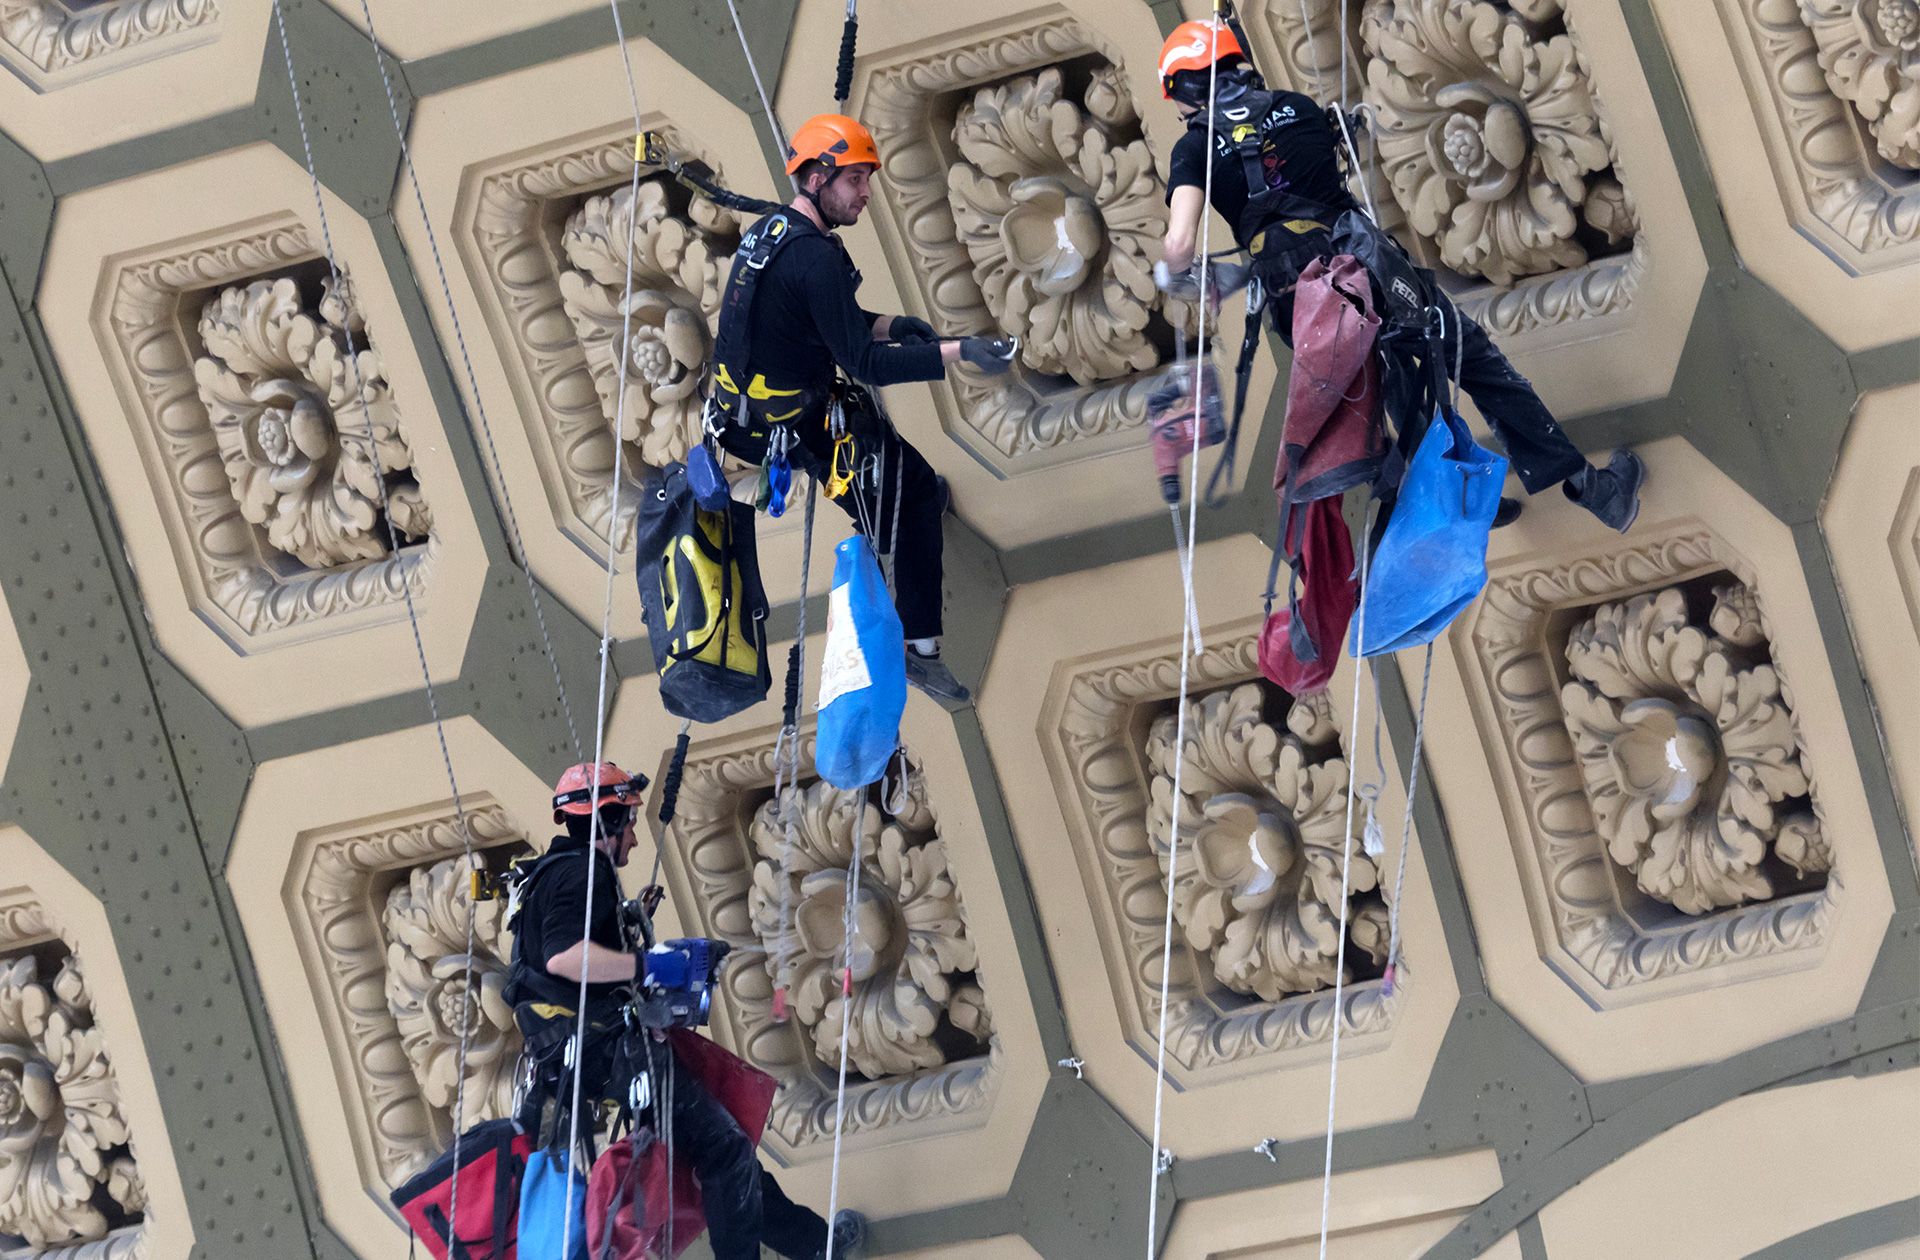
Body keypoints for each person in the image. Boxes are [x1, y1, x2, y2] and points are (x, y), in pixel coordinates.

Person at [1154, 19, 1645, 532]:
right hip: (1367, 269)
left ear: (1187, 85)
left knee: (1385, 383)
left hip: (1300, 303)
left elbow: (1180, 242)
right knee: (1471, 358)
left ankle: (1461, 501)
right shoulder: (1297, 109)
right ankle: (1592, 489)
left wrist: (1179, 275)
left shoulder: (1195, 149)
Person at [708, 113, 1017, 704]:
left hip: (760, 415)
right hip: (798, 425)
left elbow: (825, 323)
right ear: (821, 176)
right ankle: (921, 650)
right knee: (916, 494)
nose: (865, 195)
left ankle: (887, 524)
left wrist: (894, 325)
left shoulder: (775, 234)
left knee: (901, 491)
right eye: (855, 180)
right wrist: (961, 352)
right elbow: (865, 366)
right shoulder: (815, 259)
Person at [505, 761, 866, 1260]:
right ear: (608, 822)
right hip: (605, 1049)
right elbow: (564, 957)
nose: (633, 838)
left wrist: (632, 941)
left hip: (570, 1055)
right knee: (725, 1151)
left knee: (720, 1147)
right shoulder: (580, 871)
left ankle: (814, 1245)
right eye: (629, 821)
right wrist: (649, 966)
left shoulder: (547, 878)